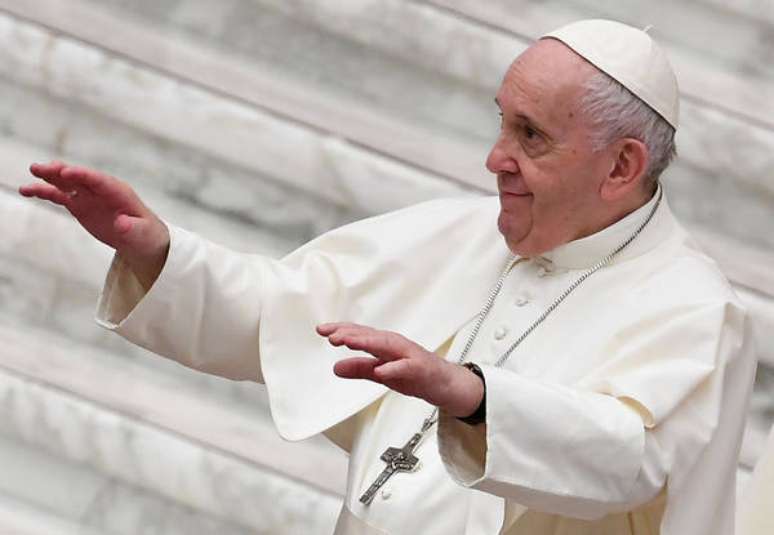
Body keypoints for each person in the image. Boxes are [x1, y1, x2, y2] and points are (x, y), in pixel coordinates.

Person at [18, 19, 756, 535]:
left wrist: (472, 397)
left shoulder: (695, 311)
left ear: (622, 165)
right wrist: (159, 251)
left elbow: (632, 456)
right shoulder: (459, 233)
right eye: (501, 121)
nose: (494, 157)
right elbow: (285, 311)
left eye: (530, 135)